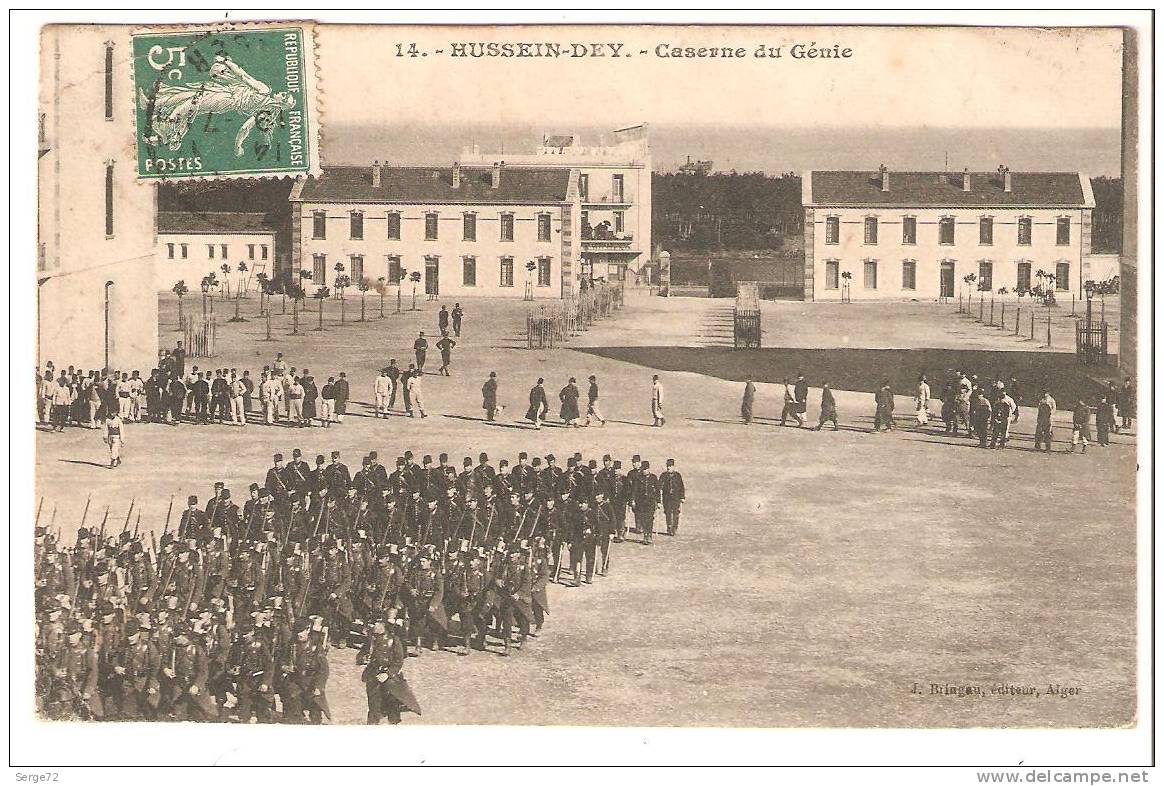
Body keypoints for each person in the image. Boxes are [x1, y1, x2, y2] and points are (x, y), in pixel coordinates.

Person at [660, 459, 686, 536]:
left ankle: (674, 528)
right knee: (667, 512)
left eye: (670, 466)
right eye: (668, 466)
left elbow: (681, 487)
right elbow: (659, 485)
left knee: (675, 512)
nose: (669, 468)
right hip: (666, 497)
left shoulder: (677, 475)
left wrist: (682, 497)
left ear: (673, 466)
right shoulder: (663, 475)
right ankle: (669, 527)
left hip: (676, 497)